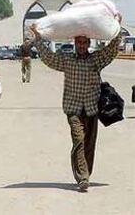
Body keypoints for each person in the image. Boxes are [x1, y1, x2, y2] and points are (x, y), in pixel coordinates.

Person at [30, 16, 122, 192]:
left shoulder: (96, 60)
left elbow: (111, 51)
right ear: (74, 43)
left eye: (84, 43)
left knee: (89, 143)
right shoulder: (67, 61)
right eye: (78, 42)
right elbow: (49, 58)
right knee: (79, 140)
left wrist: (116, 28)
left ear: (88, 43)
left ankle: (86, 171)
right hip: (73, 109)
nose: (81, 46)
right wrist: (38, 40)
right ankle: (82, 178)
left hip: (92, 108)